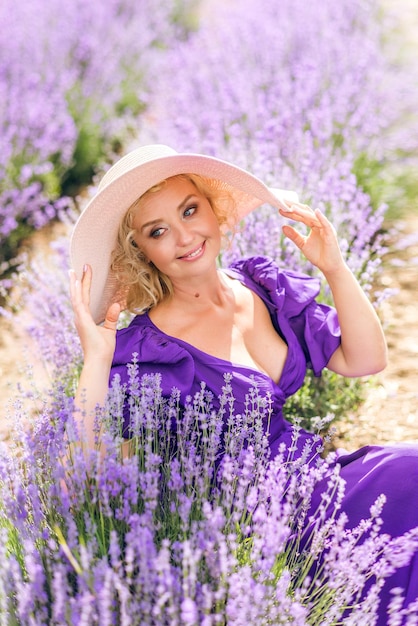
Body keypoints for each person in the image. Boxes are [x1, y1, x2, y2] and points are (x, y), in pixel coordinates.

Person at [69, 144, 418, 622]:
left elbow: (366, 359)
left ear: (214, 210)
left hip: (321, 482)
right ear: (141, 251)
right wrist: (95, 361)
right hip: (260, 534)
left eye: (190, 210)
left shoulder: (260, 287)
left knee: (410, 468)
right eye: (157, 231)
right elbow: (87, 475)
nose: (184, 235)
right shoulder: (149, 352)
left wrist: (334, 268)